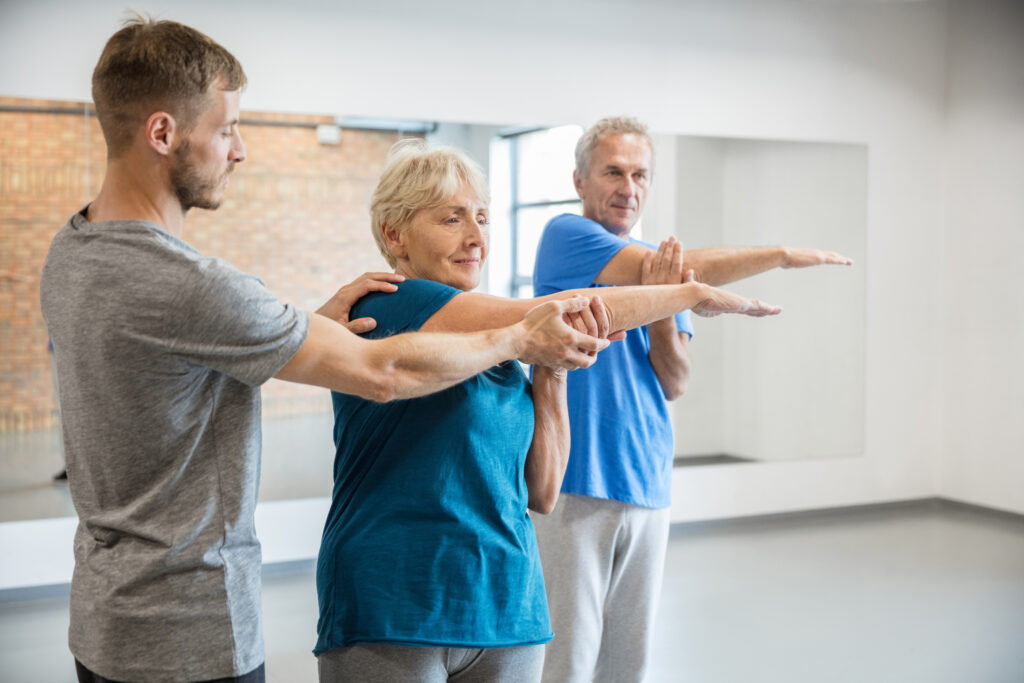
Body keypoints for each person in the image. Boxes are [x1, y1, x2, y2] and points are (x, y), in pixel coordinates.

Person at [39, 18, 607, 683]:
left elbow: (183, 355)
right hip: (189, 630)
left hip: (107, 624)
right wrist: (521, 334)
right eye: (226, 130)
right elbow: (385, 371)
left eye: (480, 214)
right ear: (162, 133)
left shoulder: (71, 251)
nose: (240, 150)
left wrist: (306, 322)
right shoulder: (198, 287)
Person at [313, 139, 781, 682]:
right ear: (394, 234)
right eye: (451, 218)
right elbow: (556, 308)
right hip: (397, 604)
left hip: (508, 608)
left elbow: (544, 489)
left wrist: (553, 367)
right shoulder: (387, 304)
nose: (476, 237)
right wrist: (685, 292)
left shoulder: (507, 351)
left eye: (483, 218)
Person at [530, 116, 854, 683]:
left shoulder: (661, 268)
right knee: (570, 658)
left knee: (628, 659)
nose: (628, 187)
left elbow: (675, 379)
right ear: (580, 181)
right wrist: (777, 254)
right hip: (576, 478)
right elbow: (687, 274)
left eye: (640, 174)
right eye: (612, 172)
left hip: (647, 477)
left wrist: (660, 306)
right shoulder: (566, 237)